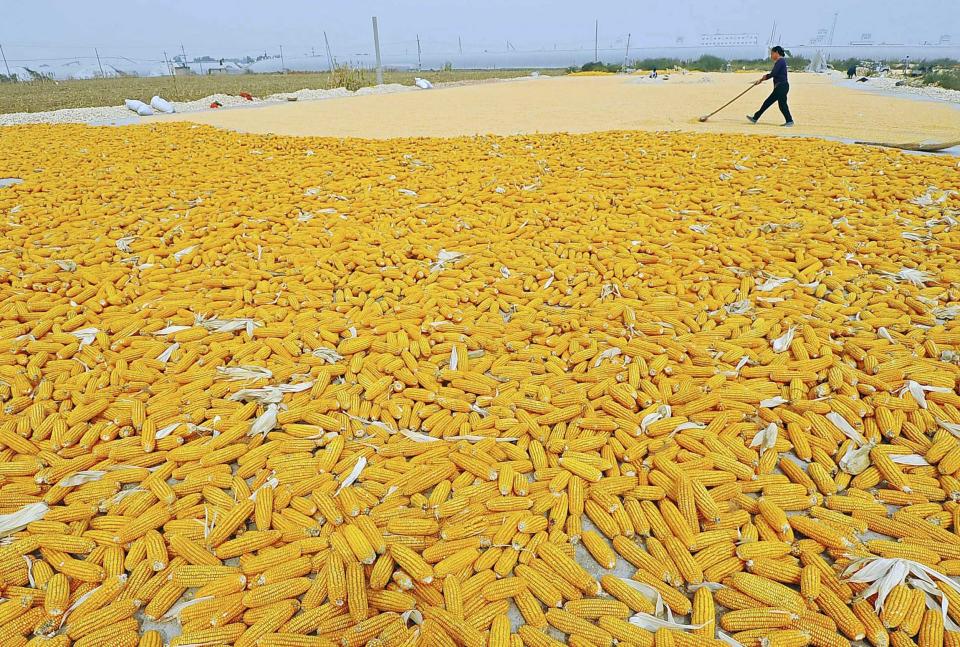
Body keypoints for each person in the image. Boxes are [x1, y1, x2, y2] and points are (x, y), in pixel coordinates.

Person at [747, 46, 794, 126]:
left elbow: (774, 73)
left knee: (775, 104)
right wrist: (762, 79)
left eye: (772, 53)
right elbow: (774, 74)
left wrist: (764, 77)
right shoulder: (780, 61)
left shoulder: (780, 61)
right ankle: (789, 121)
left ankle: (789, 121)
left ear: (776, 53)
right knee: (779, 104)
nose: (771, 56)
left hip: (781, 87)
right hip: (781, 87)